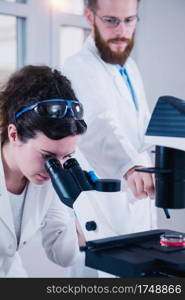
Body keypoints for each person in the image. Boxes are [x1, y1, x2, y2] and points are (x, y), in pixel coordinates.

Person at [62, 0, 157, 276]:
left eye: (130, 20)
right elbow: (99, 126)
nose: (122, 31)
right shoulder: (78, 66)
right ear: (90, 17)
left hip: (137, 205)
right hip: (105, 208)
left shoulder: (128, 68)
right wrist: (130, 166)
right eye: (111, 21)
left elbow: (143, 129)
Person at [0, 65, 87, 277]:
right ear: (14, 134)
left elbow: (64, 254)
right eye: (47, 156)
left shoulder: (47, 178)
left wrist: (81, 208)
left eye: (66, 157)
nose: (53, 169)